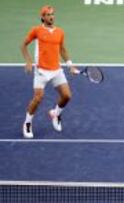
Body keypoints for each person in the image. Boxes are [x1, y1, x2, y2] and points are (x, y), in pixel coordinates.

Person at [21, 5, 78, 138]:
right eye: (48, 14)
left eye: (52, 14)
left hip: (56, 70)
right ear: (42, 17)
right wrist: (29, 61)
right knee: (38, 98)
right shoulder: (36, 30)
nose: (51, 16)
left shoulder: (60, 32)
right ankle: (27, 123)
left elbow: (62, 50)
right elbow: (23, 45)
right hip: (41, 70)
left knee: (67, 96)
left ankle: (55, 113)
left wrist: (70, 65)